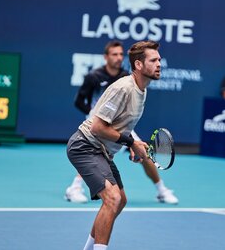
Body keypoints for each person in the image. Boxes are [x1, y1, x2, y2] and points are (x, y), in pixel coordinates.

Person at [67, 40, 163, 249]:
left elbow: (121, 126)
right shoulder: (123, 88)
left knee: (120, 201)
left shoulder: (142, 90)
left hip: (102, 151)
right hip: (85, 145)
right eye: (153, 60)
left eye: (159, 60)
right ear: (138, 65)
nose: (159, 64)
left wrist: (132, 146)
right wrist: (131, 142)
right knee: (112, 198)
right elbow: (97, 127)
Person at [65, 41, 178, 205]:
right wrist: (93, 112)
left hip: (119, 122)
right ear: (106, 57)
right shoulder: (94, 77)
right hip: (97, 121)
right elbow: (79, 102)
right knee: (93, 149)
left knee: (143, 152)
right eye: (114, 54)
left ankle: (161, 189)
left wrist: (132, 143)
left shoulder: (129, 77)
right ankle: (74, 187)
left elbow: (125, 117)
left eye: (120, 54)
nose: (118, 58)